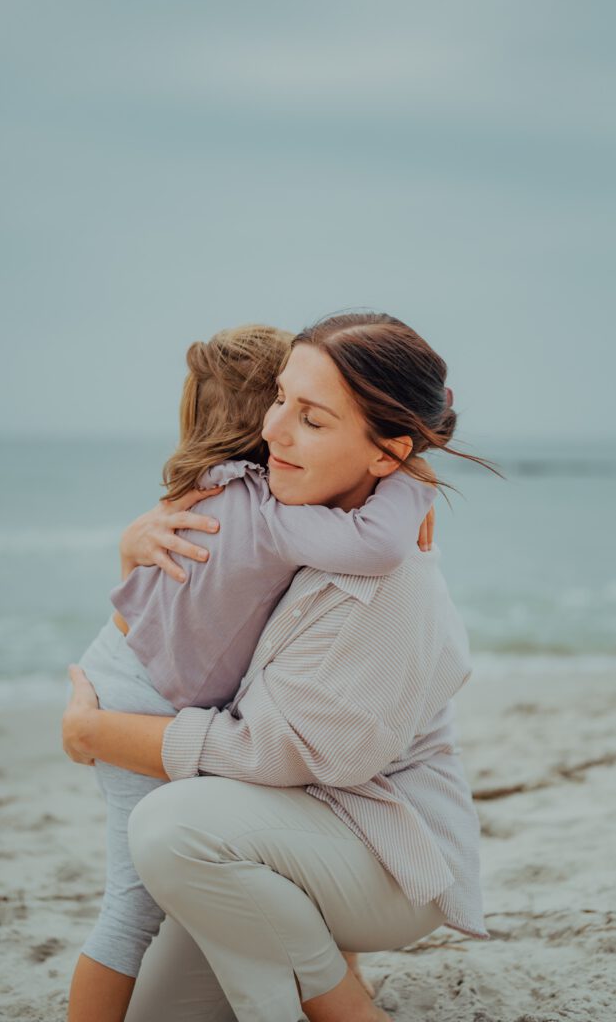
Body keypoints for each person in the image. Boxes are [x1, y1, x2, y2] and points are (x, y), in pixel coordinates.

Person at [63, 312, 489, 1022]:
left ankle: (341, 1002)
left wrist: (92, 733)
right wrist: (134, 548)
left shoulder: (379, 582)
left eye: (311, 419)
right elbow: (193, 621)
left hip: (376, 855)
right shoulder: (295, 514)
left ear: (386, 453)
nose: (272, 431)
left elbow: (268, 753)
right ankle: (299, 955)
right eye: (278, 400)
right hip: (276, 830)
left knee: (167, 833)